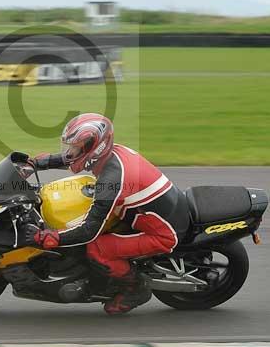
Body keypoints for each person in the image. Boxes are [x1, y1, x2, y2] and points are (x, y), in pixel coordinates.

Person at [24, 113, 191, 315]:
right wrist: (39, 163)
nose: (70, 152)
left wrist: (54, 237)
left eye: (75, 148)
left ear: (95, 148)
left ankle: (135, 289)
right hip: (144, 213)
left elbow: (88, 231)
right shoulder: (110, 155)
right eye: (70, 147)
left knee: (96, 248)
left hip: (163, 231)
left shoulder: (112, 180)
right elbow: (76, 158)